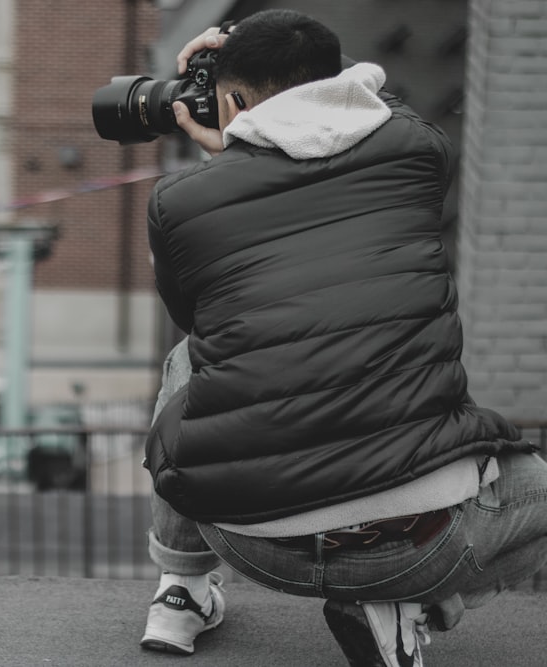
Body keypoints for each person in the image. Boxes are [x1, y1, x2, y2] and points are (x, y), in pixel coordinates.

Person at [138, 9, 547, 666]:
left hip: (250, 541)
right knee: (533, 489)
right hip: (428, 541)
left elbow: (200, 318)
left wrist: (231, 146)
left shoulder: (178, 201)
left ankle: (180, 591)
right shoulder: (420, 150)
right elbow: (357, 120)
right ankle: (419, 599)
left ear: (234, 101)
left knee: (192, 360)